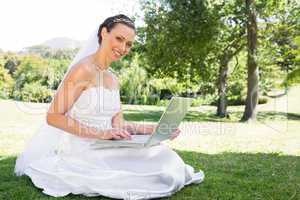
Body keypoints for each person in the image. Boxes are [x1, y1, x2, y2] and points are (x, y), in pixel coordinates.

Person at [14, 14, 204, 200]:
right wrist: (100, 133)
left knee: (163, 155)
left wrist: (154, 129)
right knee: (153, 169)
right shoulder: (83, 70)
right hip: (84, 147)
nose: (123, 48)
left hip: (109, 142)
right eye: (119, 39)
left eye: (128, 44)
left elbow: (119, 124)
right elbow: (54, 116)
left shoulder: (113, 78)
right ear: (104, 33)